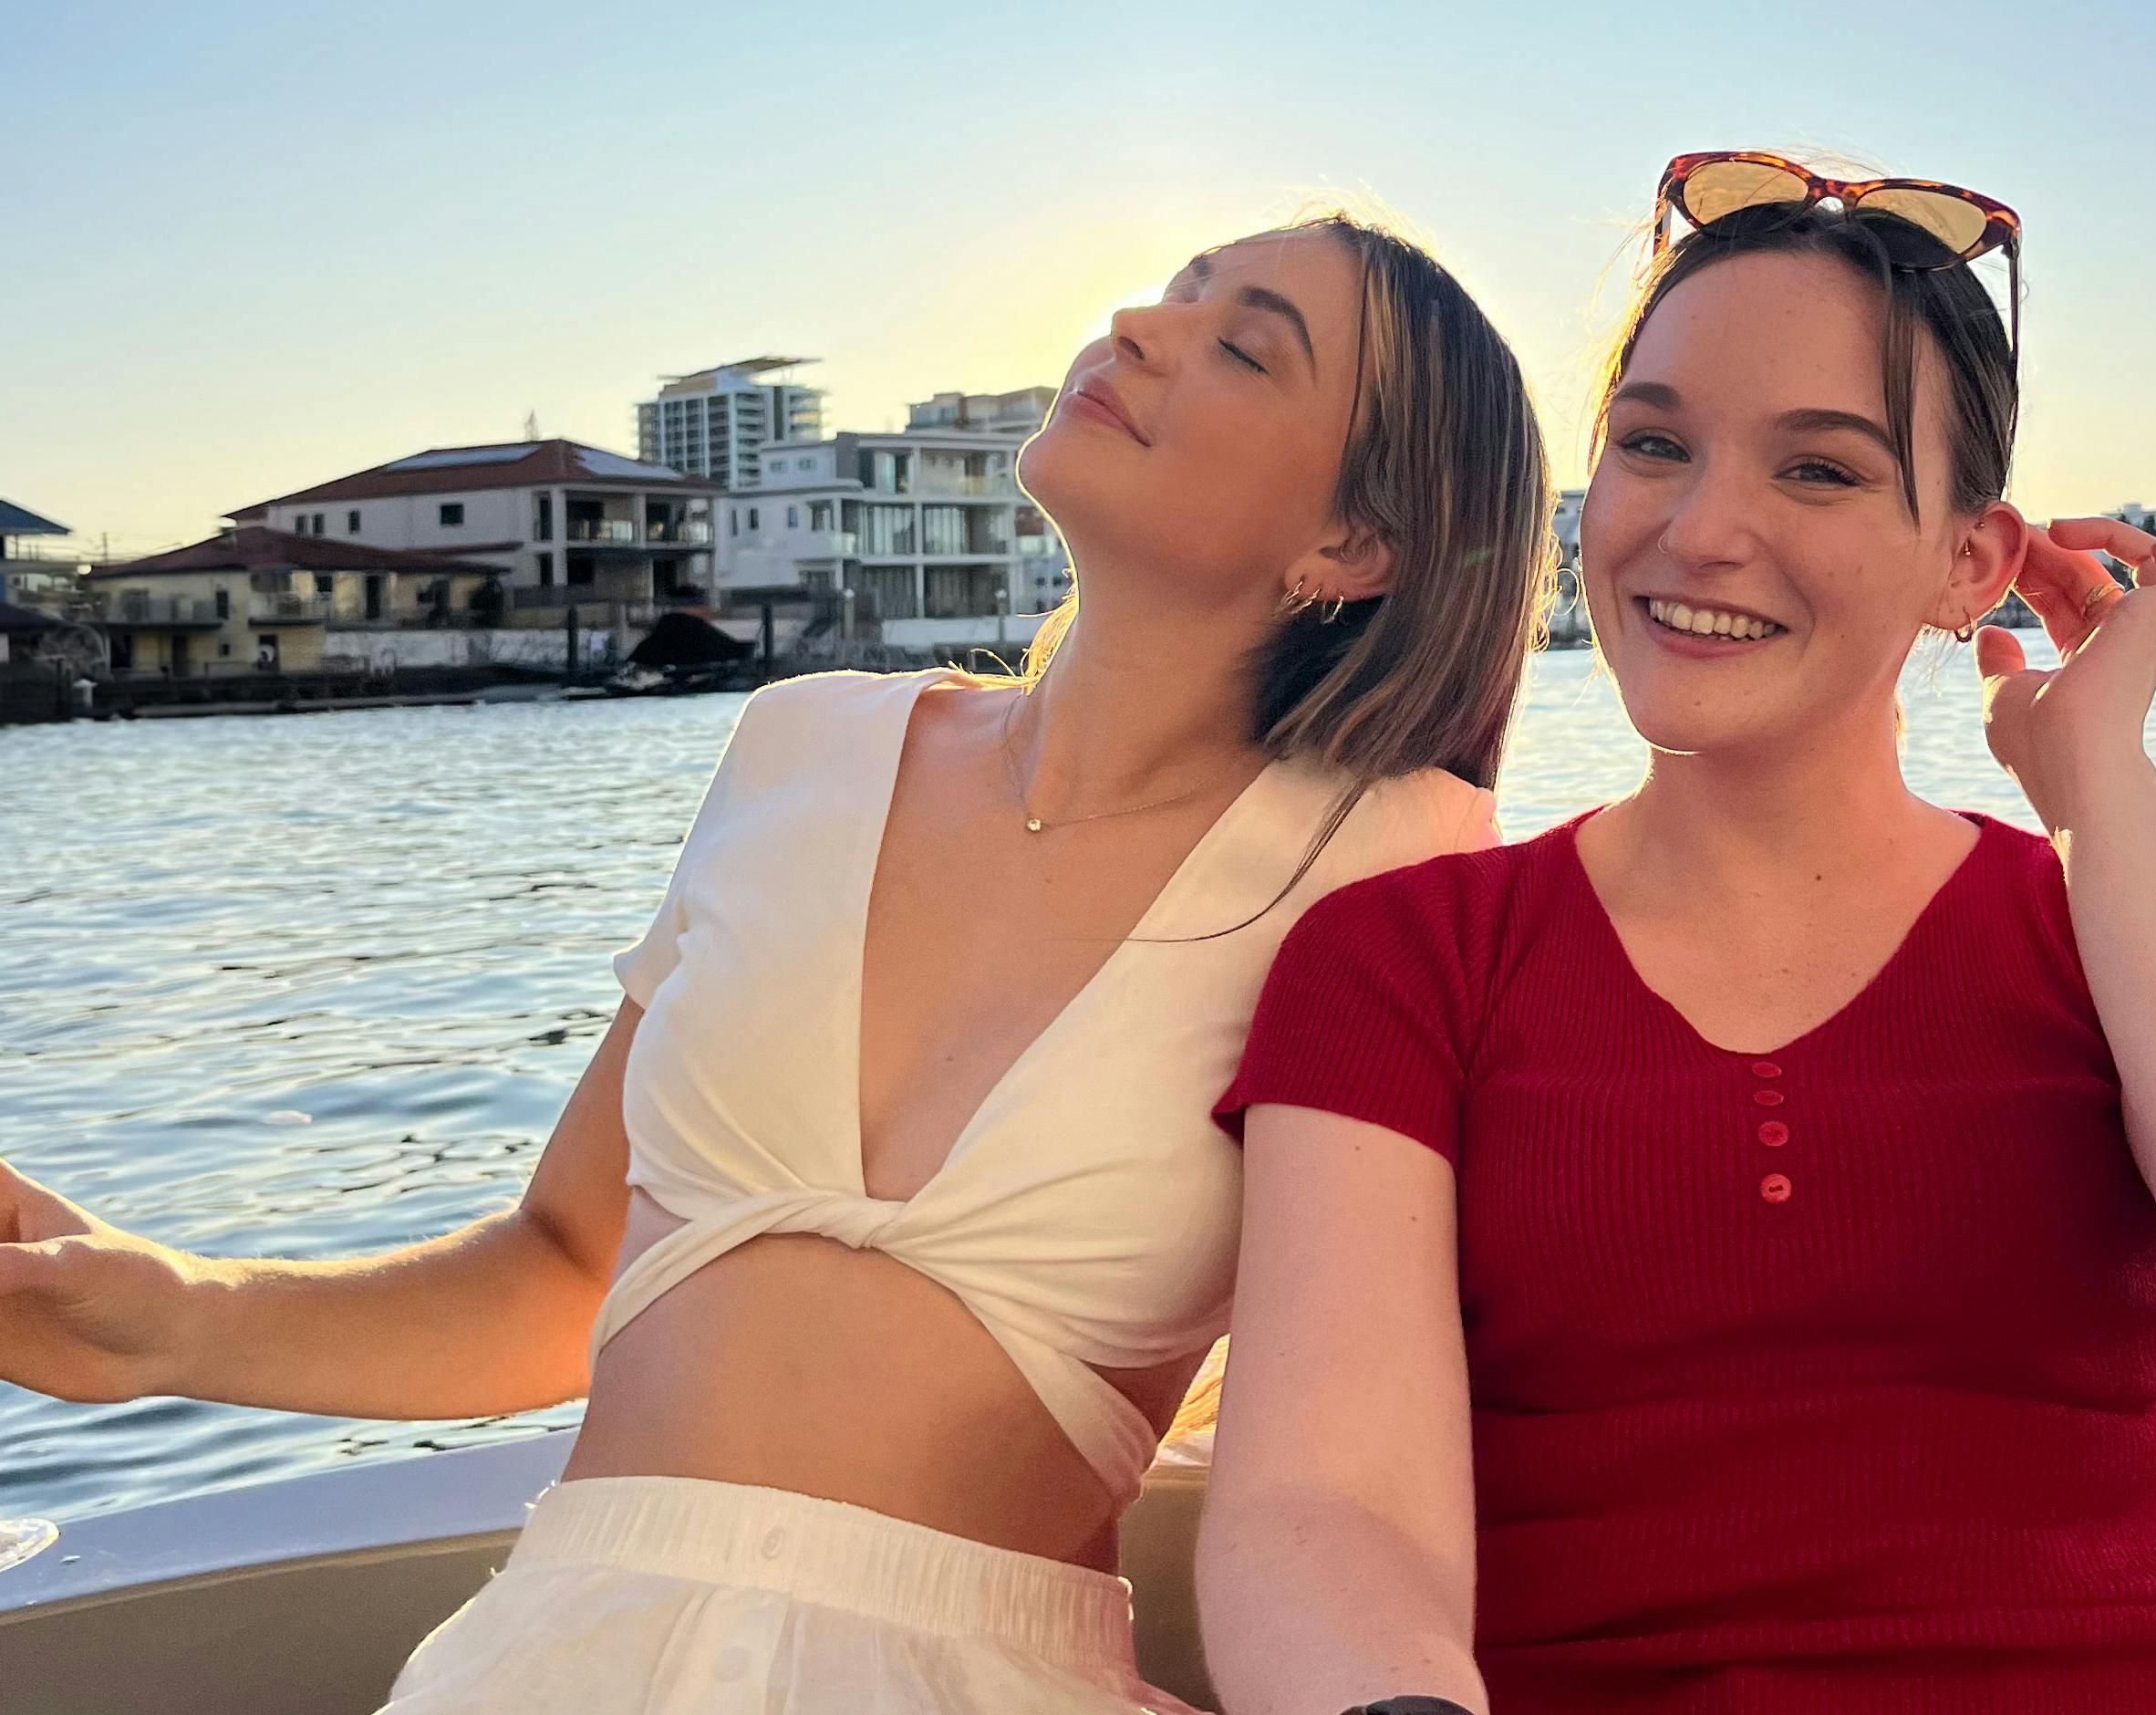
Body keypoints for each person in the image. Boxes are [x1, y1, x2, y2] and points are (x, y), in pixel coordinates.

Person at [0, 212, 1556, 1713]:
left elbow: (1428, 1410)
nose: (1143, 326)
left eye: (1246, 347)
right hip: (545, 1661)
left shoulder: (1400, 864)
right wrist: (161, 1312)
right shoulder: (800, 742)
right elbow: (563, 1274)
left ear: (1354, 540)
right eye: (1172, 287)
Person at [1199, 154, 2156, 1715]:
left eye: (1817, 471)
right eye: (1652, 444)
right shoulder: (1410, 961)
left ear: (1970, 563)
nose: (1698, 529)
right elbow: (1325, 1512)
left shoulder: (2150, 926)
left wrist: (2097, 787)